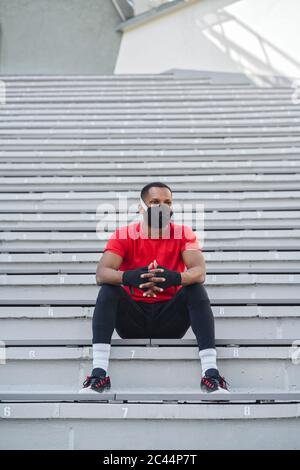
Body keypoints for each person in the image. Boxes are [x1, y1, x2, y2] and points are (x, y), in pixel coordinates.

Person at [81, 182, 229, 394]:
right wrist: (130, 276)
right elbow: (101, 273)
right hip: (133, 320)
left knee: (195, 289)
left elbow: (199, 271)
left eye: (167, 202)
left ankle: (211, 375)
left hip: (169, 320)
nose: (163, 207)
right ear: (141, 207)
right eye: (155, 202)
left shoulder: (183, 233)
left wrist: (174, 278)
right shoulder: (124, 235)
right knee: (109, 289)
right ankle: (99, 375)